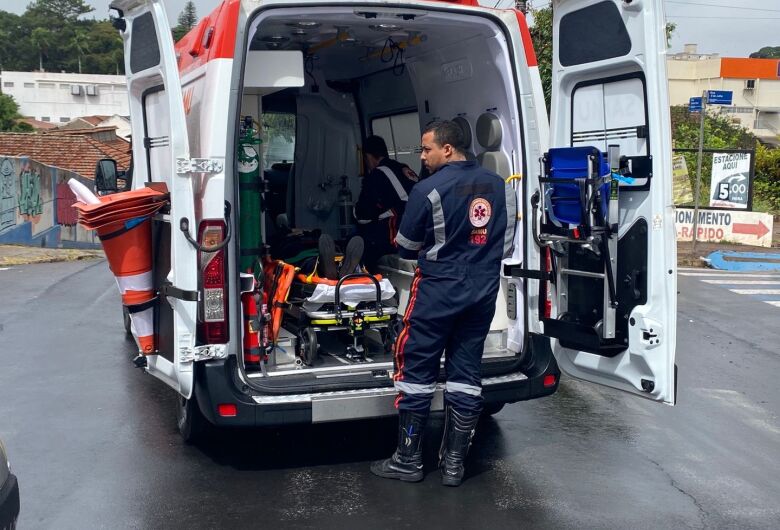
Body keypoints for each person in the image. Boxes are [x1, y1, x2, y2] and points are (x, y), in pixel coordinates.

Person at [370, 120, 517, 486]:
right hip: (482, 291)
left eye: (426, 149)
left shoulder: (427, 189)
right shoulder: (501, 186)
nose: (422, 156)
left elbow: (405, 247)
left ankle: (408, 460)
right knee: (466, 373)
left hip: (437, 291)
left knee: (416, 370)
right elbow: (506, 244)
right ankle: (454, 466)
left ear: (447, 149)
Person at [354, 135, 419, 272]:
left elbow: (363, 215)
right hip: (419, 234)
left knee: (359, 241)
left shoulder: (376, 175)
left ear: (368, 157)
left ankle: (357, 273)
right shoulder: (405, 170)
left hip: (397, 237)